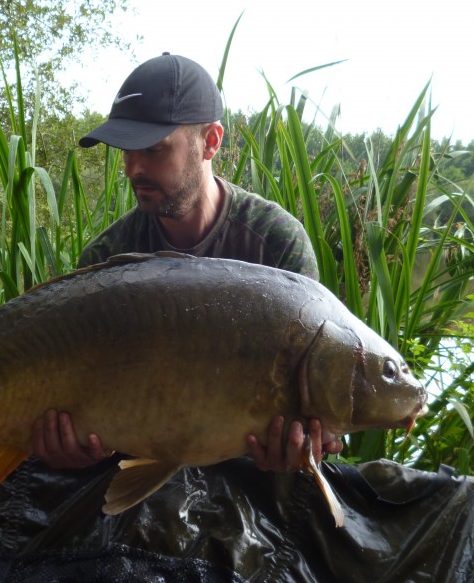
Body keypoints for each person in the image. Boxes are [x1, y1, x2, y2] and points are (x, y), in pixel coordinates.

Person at [32, 52, 343, 474]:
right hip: (133, 479)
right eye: (126, 151)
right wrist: (74, 450)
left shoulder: (274, 243)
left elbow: (307, 411)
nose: (134, 168)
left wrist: (299, 450)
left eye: (155, 149)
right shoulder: (108, 257)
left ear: (211, 141)